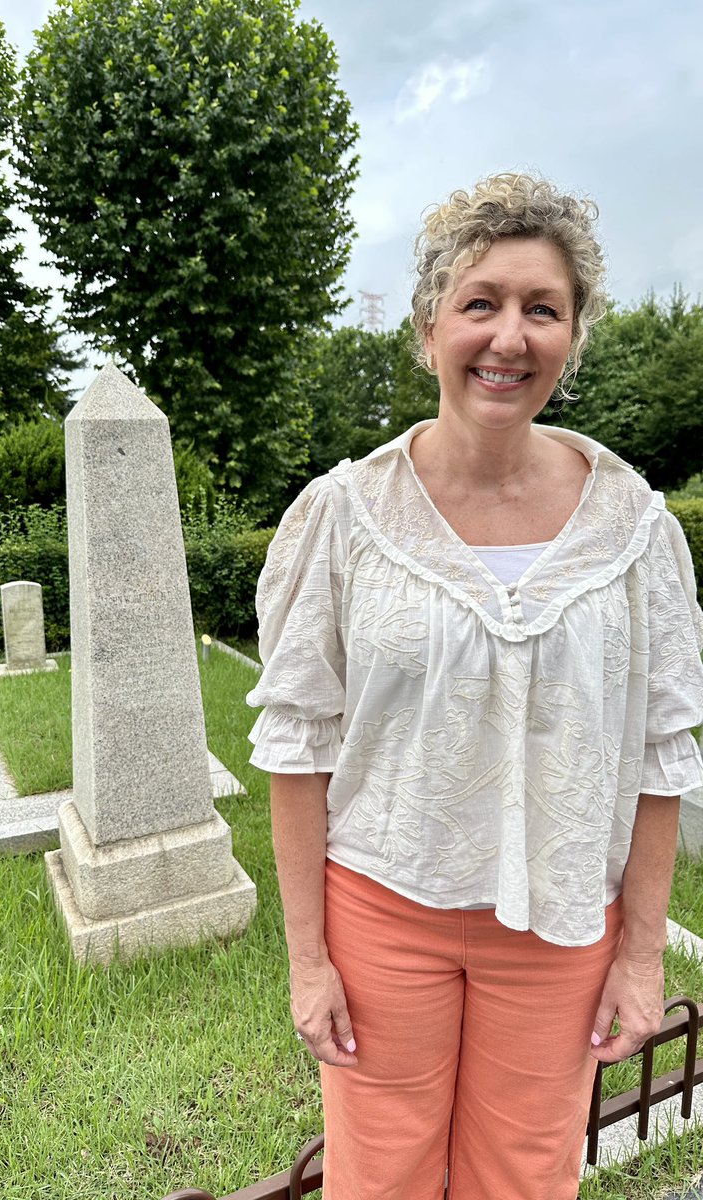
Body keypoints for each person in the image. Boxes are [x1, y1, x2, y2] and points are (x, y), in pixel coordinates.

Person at [245, 173, 703, 1200]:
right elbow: (297, 742)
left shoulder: (635, 532)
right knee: (381, 1177)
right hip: (382, 915)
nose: (509, 336)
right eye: (481, 303)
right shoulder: (345, 518)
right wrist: (307, 959)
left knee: (527, 1177)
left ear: (573, 337)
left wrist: (640, 957)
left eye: (543, 309)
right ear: (428, 327)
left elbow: (660, 756)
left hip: (561, 929)